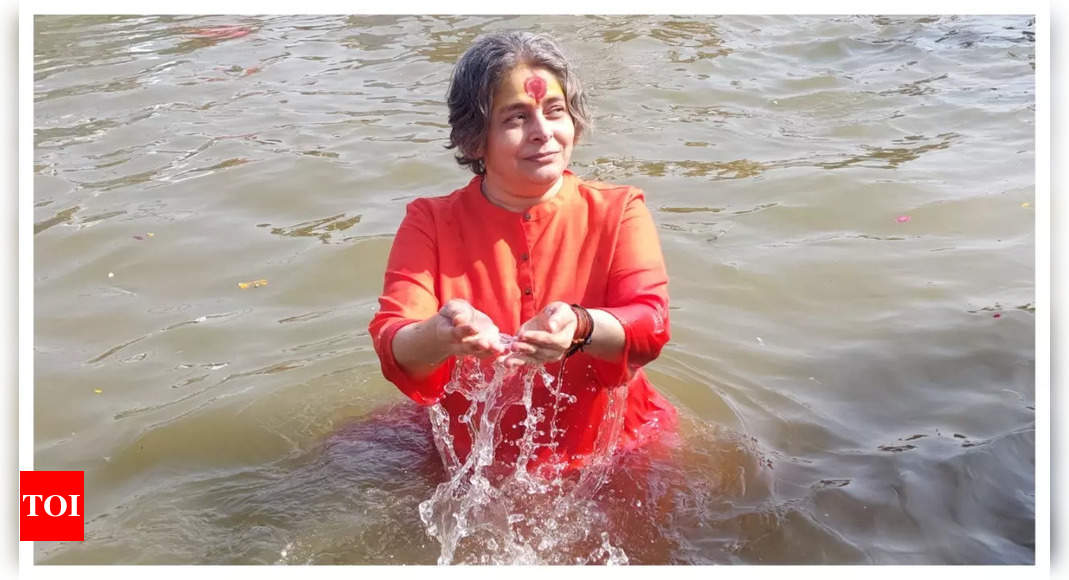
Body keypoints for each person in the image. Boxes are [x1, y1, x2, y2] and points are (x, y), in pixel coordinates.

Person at [369, 31, 676, 472]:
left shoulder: (619, 209)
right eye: (516, 119)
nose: (543, 133)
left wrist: (581, 325)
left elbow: (651, 324)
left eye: (555, 112)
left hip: (616, 450)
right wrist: (440, 334)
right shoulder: (430, 222)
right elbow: (392, 342)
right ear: (475, 139)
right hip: (472, 455)